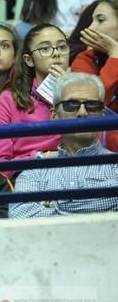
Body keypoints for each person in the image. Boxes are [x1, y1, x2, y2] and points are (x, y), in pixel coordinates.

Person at [10, 72, 118, 218]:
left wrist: (55, 204)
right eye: (71, 105)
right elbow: (21, 216)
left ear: (102, 115)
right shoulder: (34, 172)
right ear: (54, 116)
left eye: (91, 105)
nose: (82, 112)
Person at [0, 24, 70, 171]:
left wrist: (71, 93)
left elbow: (97, 143)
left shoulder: (82, 94)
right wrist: (41, 158)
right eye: (45, 48)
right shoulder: (8, 101)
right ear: (29, 60)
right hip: (26, 179)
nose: (57, 53)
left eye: (62, 47)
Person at [71, 0, 118, 112]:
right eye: (92, 21)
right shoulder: (86, 58)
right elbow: (92, 105)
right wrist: (115, 55)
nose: (91, 27)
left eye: (100, 20)